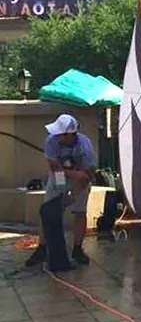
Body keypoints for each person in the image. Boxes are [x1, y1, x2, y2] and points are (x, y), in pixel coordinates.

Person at [25, 114, 95, 268]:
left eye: (61, 135)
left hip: (81, 179)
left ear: (71, 134)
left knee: (79, 212)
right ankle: (42, 248)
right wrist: (70, 179)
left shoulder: (85, 145)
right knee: (49, 210)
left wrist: (73, 195)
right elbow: (55, 167)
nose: (57, 137)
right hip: (59, 176)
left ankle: (77, 249)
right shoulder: (51, 140)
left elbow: (87, 175)